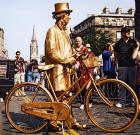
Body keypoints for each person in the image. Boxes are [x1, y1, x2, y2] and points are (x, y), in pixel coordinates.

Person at [45, 2, 86, 131]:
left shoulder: (65, 33)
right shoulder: (52, 31)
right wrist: (68, 60)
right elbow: (52, 52)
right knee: (58, 97)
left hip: (66, 70)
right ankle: (52, 123)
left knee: (67, 98)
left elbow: (69, 50)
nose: (69, 17)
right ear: (61, 16)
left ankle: (71, 121)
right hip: (57, 70)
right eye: (68, 14)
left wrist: (77, 53)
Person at [114, 26, 138, 108]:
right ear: (122, 33)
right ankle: (122, 101)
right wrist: (117, 63)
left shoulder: (133, 42)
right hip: (122, 66)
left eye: (129, 31)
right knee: (122, 84)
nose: (128, 33)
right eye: (126, 31)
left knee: (132, 84)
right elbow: (115, 54)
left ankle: (131, 100)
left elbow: (136, 51)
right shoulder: (118, 43)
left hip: (132, 66)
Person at [80, 43, 94, 110]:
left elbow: (92, 65)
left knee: (89, 88)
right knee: (82, 89)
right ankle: (83, 102)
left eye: (89, 47)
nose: (88, 49)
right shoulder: (82, 54)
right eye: (87, 47)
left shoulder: (91, 54)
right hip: (83, 73)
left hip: (89, 72)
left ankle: (90, 101)